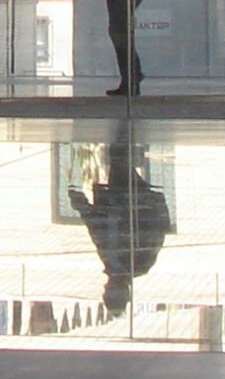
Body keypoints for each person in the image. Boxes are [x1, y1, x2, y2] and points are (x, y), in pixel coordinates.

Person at [68, 121, 170, 318]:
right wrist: (147, 205)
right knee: (119, 159)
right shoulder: (139, 263)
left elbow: (97, 229)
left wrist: (82, 206)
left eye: (109, 291)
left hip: (116, 199)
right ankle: (126, 121)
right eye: (115, 292)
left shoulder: (110, 262)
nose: (111, 287)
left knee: (119, 160)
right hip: (131, 201)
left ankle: (126, 126)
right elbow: (156, 231)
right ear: (126, 291)